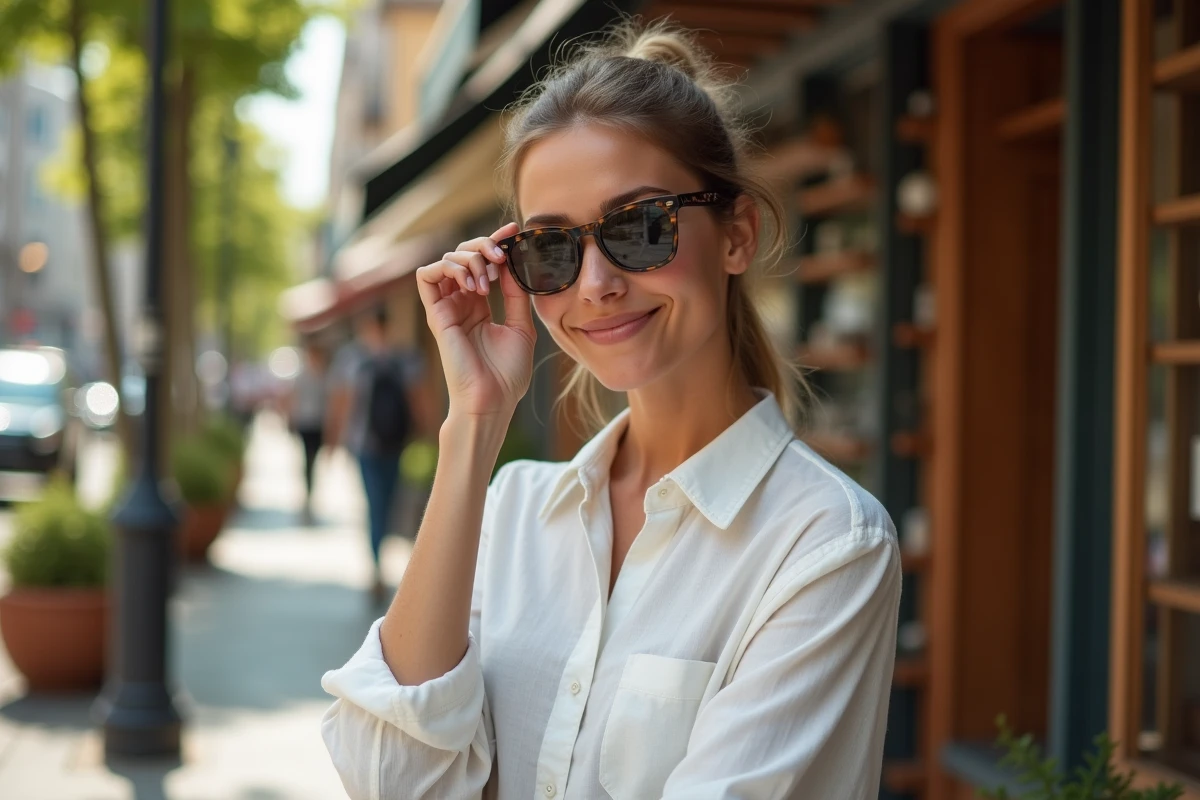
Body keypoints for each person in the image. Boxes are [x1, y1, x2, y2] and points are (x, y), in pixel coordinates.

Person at [321, 21, 901, 800]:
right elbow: (392, 779)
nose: (594, 284)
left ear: (736, 235)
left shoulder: (826, 545)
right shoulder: (513, 512)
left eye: (639, 227)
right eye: (551, 248)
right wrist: (473, 426)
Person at [327, 307, 424, 602]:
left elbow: (341, 403)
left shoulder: (353, 360)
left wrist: (334, 441)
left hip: (366, 446)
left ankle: (376, 568)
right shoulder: (404, 358)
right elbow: (420, 400)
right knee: (387, 503)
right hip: (393, 444)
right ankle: (379, 566)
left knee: (376, 505)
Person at [287, 340, 329, 525]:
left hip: (318, 424)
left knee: (313, 460)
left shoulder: (323, 377)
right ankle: (307, 493)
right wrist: (291, 419)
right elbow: (294, 398)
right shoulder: (302, 377)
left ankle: (311, 492)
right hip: (305, 424)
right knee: (307, 459)